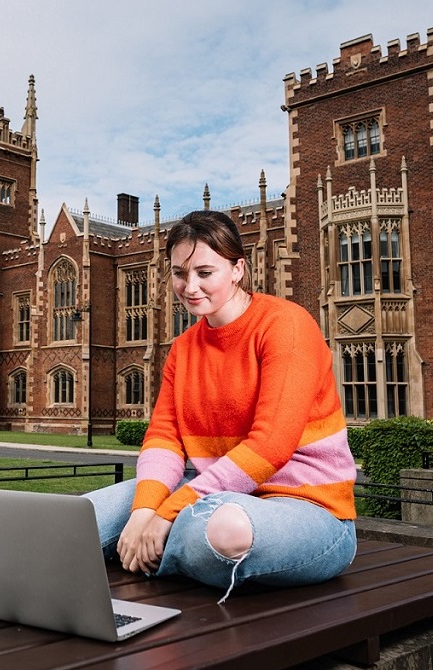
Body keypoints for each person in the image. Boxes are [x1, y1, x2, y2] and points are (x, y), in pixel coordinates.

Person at [83, 210, 357, 603]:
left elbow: (271, 445)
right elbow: (164, 438)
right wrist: (145, 508)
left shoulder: (286, 326)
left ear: (237, 269)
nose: (190, 287)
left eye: (205, 273)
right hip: (214, 496)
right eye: (179, 273)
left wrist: (165, 514)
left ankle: (146, 554)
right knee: (83, 517)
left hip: (310, 509)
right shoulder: (182, 348)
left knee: (220, 531)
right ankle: (159, 553)